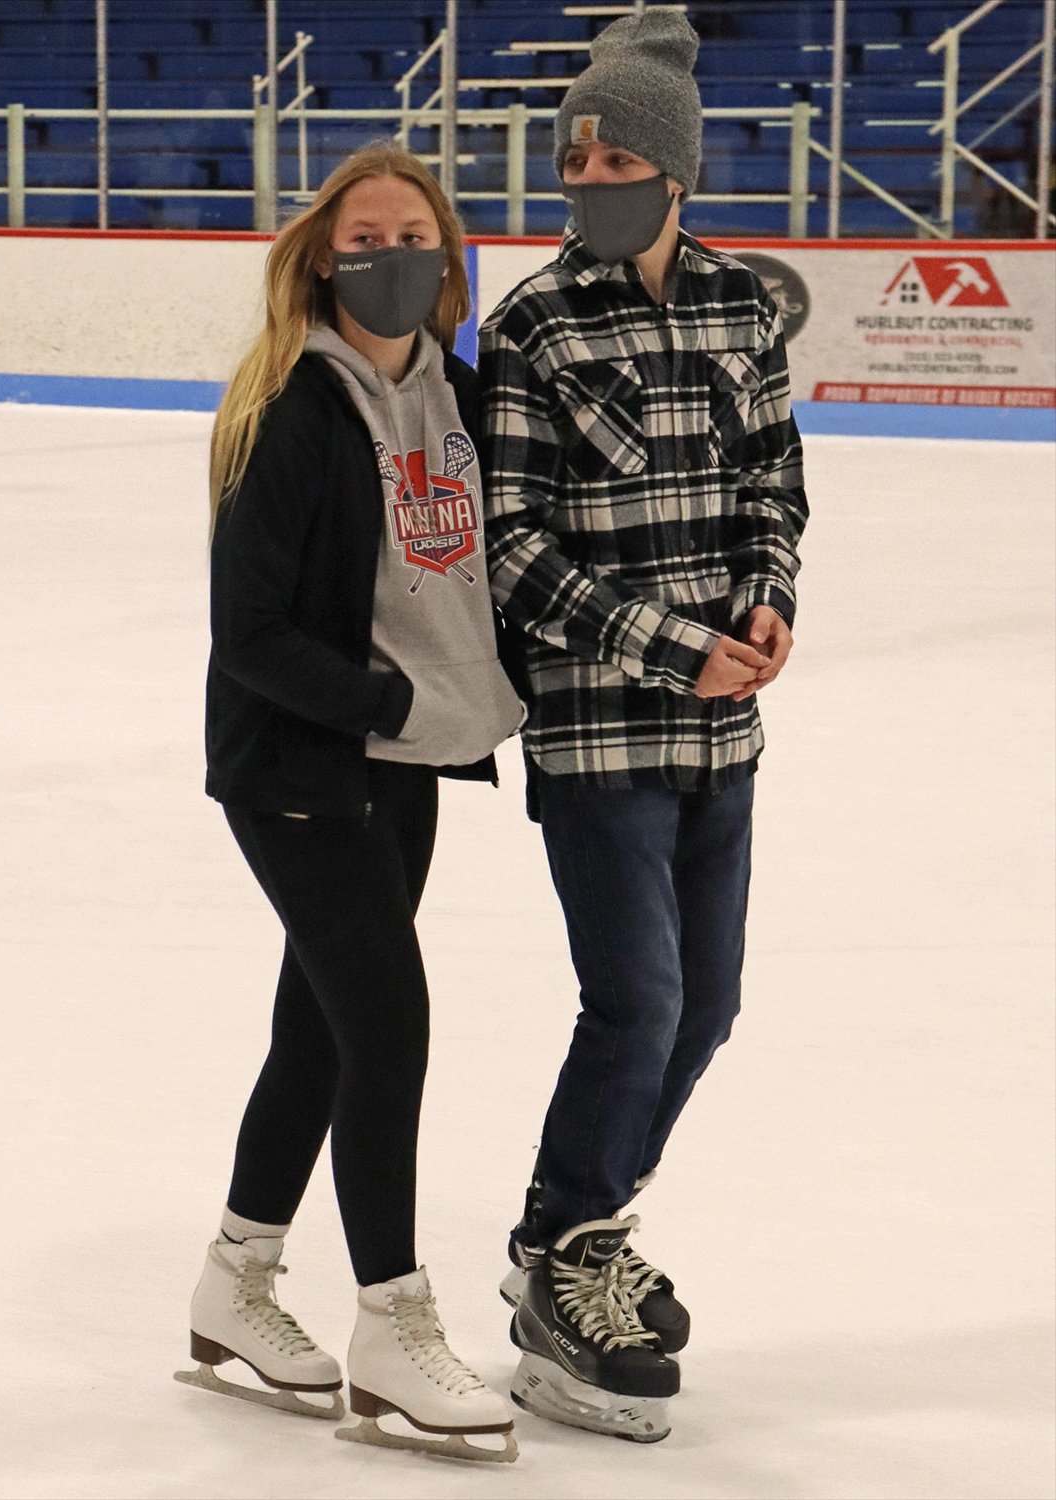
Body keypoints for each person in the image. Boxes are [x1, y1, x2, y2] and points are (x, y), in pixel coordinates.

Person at [479, 11, 808, 1442]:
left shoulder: (743, 305)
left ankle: (573, 1235)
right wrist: (680, 650)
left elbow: (774, 482)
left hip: (722, 738)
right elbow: (516, 548)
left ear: (675, 172)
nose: (588, 175)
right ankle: (573, 1252)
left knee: (710, 1004)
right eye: (575, 156)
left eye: (616, 153)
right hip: (600, 728)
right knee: (639, 1001)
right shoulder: (532, 327)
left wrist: (770, 597)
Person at [175, 144, 522, 1465]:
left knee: (319, 1034)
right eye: (366, 234)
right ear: (328, 256)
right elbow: (249, 632)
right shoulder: (292, 408)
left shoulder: (459, 398)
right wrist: (382, 705)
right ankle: (393, 1330)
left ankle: (234, 1287)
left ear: (446, 256)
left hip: (405, 766)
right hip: (296, 770)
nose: (393, 252)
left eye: (416, 233)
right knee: (388, 1025)